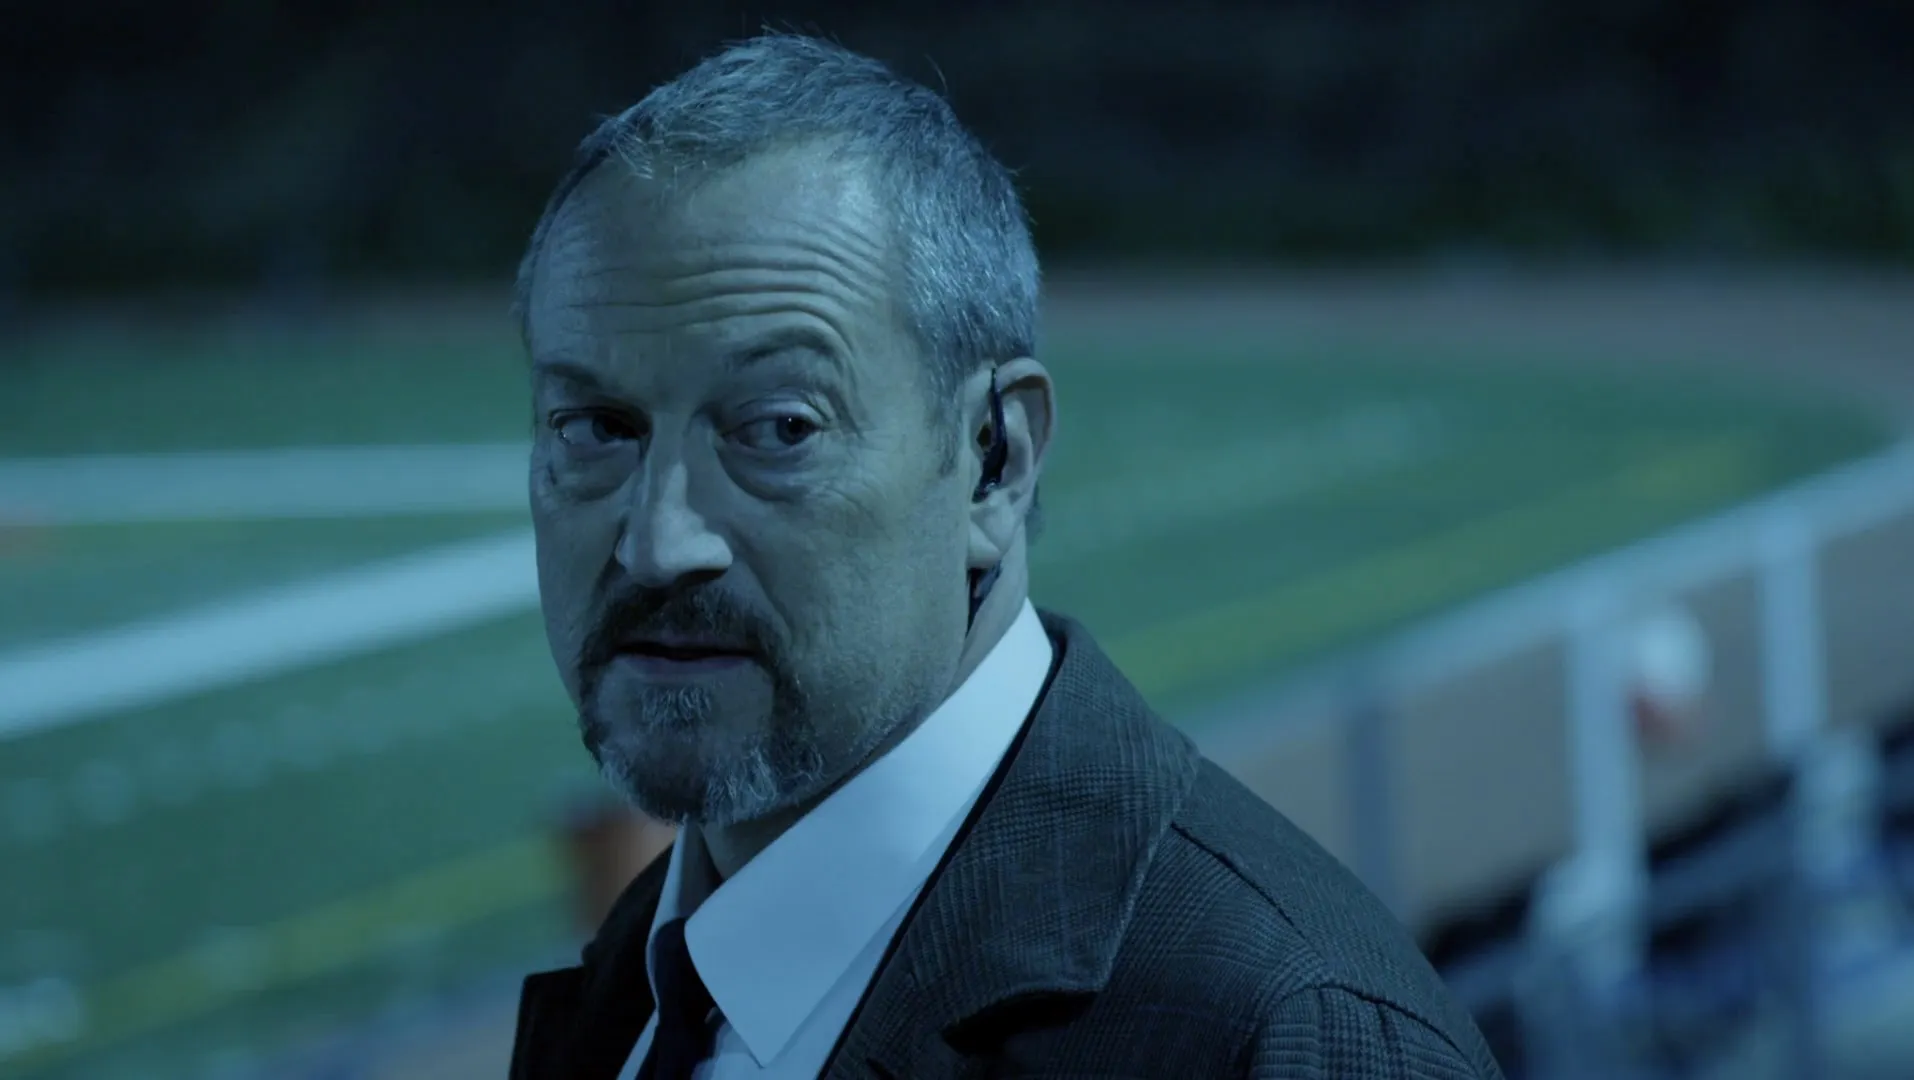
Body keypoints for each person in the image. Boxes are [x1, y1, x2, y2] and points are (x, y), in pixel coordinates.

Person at [507, 31, 1504, 1080]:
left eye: (780, 428)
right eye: (594, 428)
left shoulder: (1294, 1034)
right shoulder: (645, 974)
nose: (659, 544)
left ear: (996, 459)